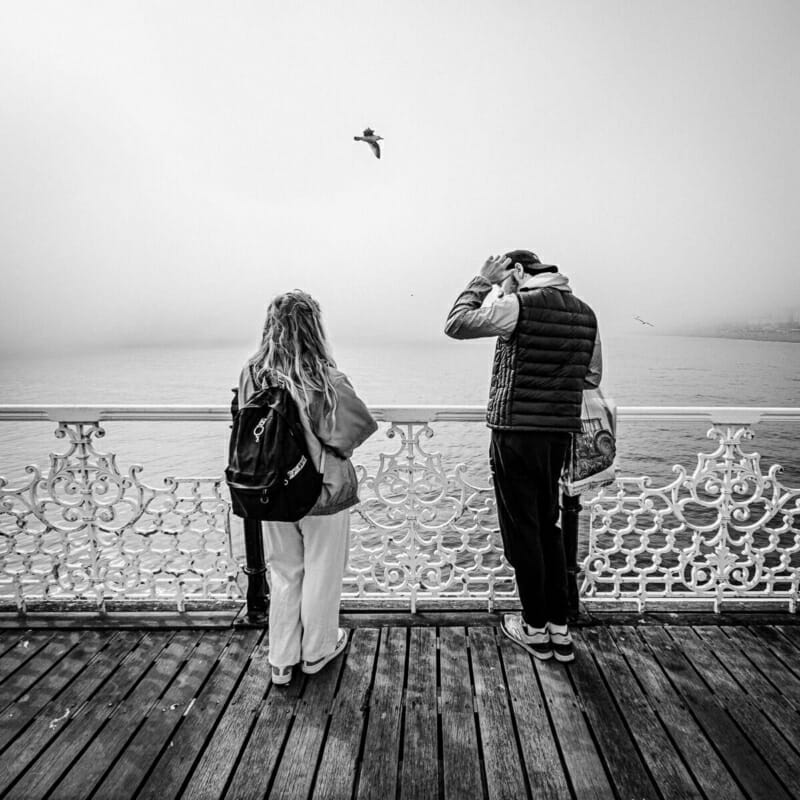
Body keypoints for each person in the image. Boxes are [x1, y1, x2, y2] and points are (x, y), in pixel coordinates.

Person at [444, 250, 601, 662]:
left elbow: (456, 324)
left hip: (515, 433)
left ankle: (533, 627)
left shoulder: (517, 305)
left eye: (504, 278)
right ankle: (559, 629)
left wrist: (482, 282)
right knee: (548, 524)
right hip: (558, 435)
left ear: (517, 272)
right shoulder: (586, 313)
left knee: (523, 529)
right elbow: (591, 376)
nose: (500, 288)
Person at [238, 290, 377, 685]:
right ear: (315, 327)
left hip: (268, 490)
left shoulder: (251, 373)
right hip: (321, 492)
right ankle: (317, 651)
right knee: (322, 571)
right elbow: (354, 428)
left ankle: (282, 659)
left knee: (284, 571)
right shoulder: (324, 376)